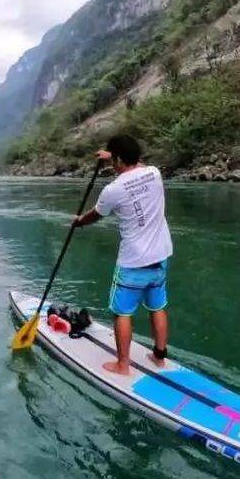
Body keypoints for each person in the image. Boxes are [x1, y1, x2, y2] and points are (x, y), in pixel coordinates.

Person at [74, 135, 173, 375]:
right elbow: (136, 164)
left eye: (113, 159)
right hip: (161, 256)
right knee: (157, 307)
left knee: (122, 313)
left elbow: (96, 215)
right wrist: (116, 155)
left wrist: (79, 222)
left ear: (117, 159)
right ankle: (159, 357)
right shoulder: (154, 173)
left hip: (133, 262)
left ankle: (123, 365)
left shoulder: (113, 190)